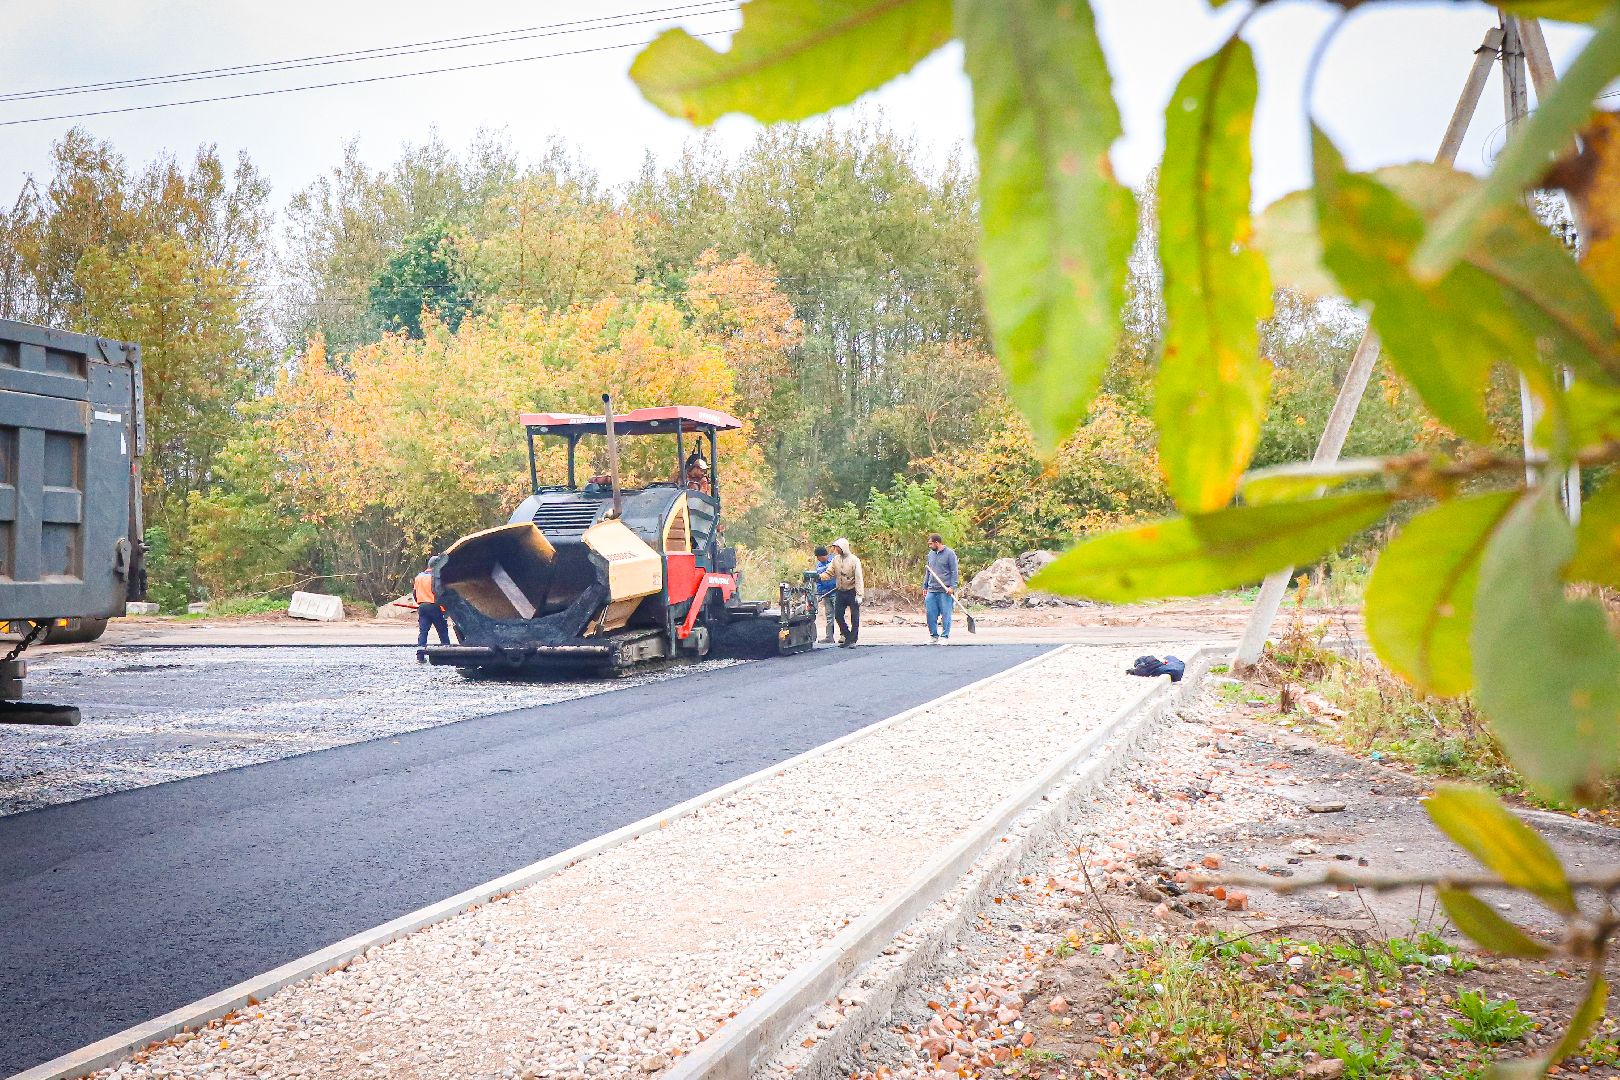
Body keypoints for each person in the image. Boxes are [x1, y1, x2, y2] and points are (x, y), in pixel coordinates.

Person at [819, 537, 864, 648]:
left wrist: (859, 595)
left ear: (843, 548)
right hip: (840, 591)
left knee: (855, 617)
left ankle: (853, 640)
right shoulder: (836, 560)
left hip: (852, 591)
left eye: (837, 548)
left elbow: (859, 578)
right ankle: (848, 636)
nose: (836, 550)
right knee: (838, 615)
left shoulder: (854, 560)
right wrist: (819, 577)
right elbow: (829, 573)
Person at [922, 533, 959, 644]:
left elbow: (954, 571)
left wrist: (952, 586)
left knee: (946, 614)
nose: (929, 546)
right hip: (932, 589)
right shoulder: (930, 554)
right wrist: (925, 585)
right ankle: (934, 636)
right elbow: (928, 571)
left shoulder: (950, 554)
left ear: (937, 543)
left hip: (945, 590)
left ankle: (944, 637)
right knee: (930, 613)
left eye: (930, 544)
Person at [413, 555, 449, 660]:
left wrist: (420, 603)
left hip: (422, 607)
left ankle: (420, 656)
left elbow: (415, 593)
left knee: (423, 631)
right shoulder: (436, 577)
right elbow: (441, 593)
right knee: (442, 631)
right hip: (435, 606)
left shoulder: (419, 577)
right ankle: (446, 654)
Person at [809, 544, 837, 643]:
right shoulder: (819, 566)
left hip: (836, 591)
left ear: (822, 555)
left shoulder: (834, 561)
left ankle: (844, 636)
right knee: (829, 616)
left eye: (818, 556)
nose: (817, 558)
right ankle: (829, 637)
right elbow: (819, 581)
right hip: (826, 593)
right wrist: (820, 593)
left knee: (839, 615)